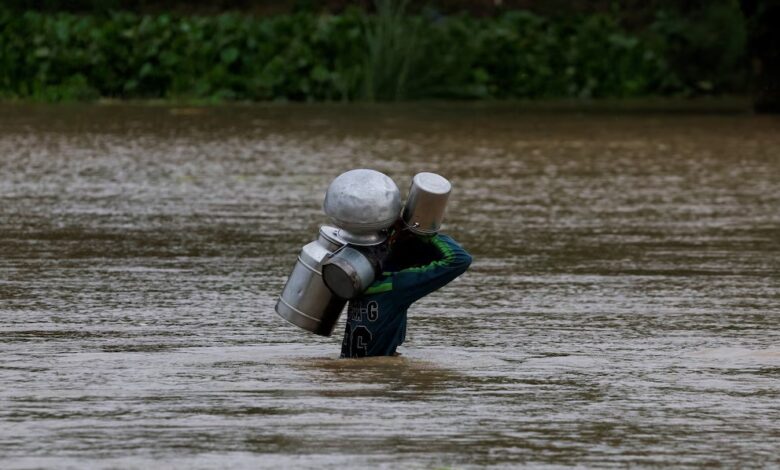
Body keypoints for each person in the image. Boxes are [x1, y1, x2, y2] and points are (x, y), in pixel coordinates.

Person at [340, 222, 472, 358]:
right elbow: (460, 259)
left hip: (351, 360)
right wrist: (427, 234)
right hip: (374, 367)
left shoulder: (358, 278)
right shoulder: (397, 285)